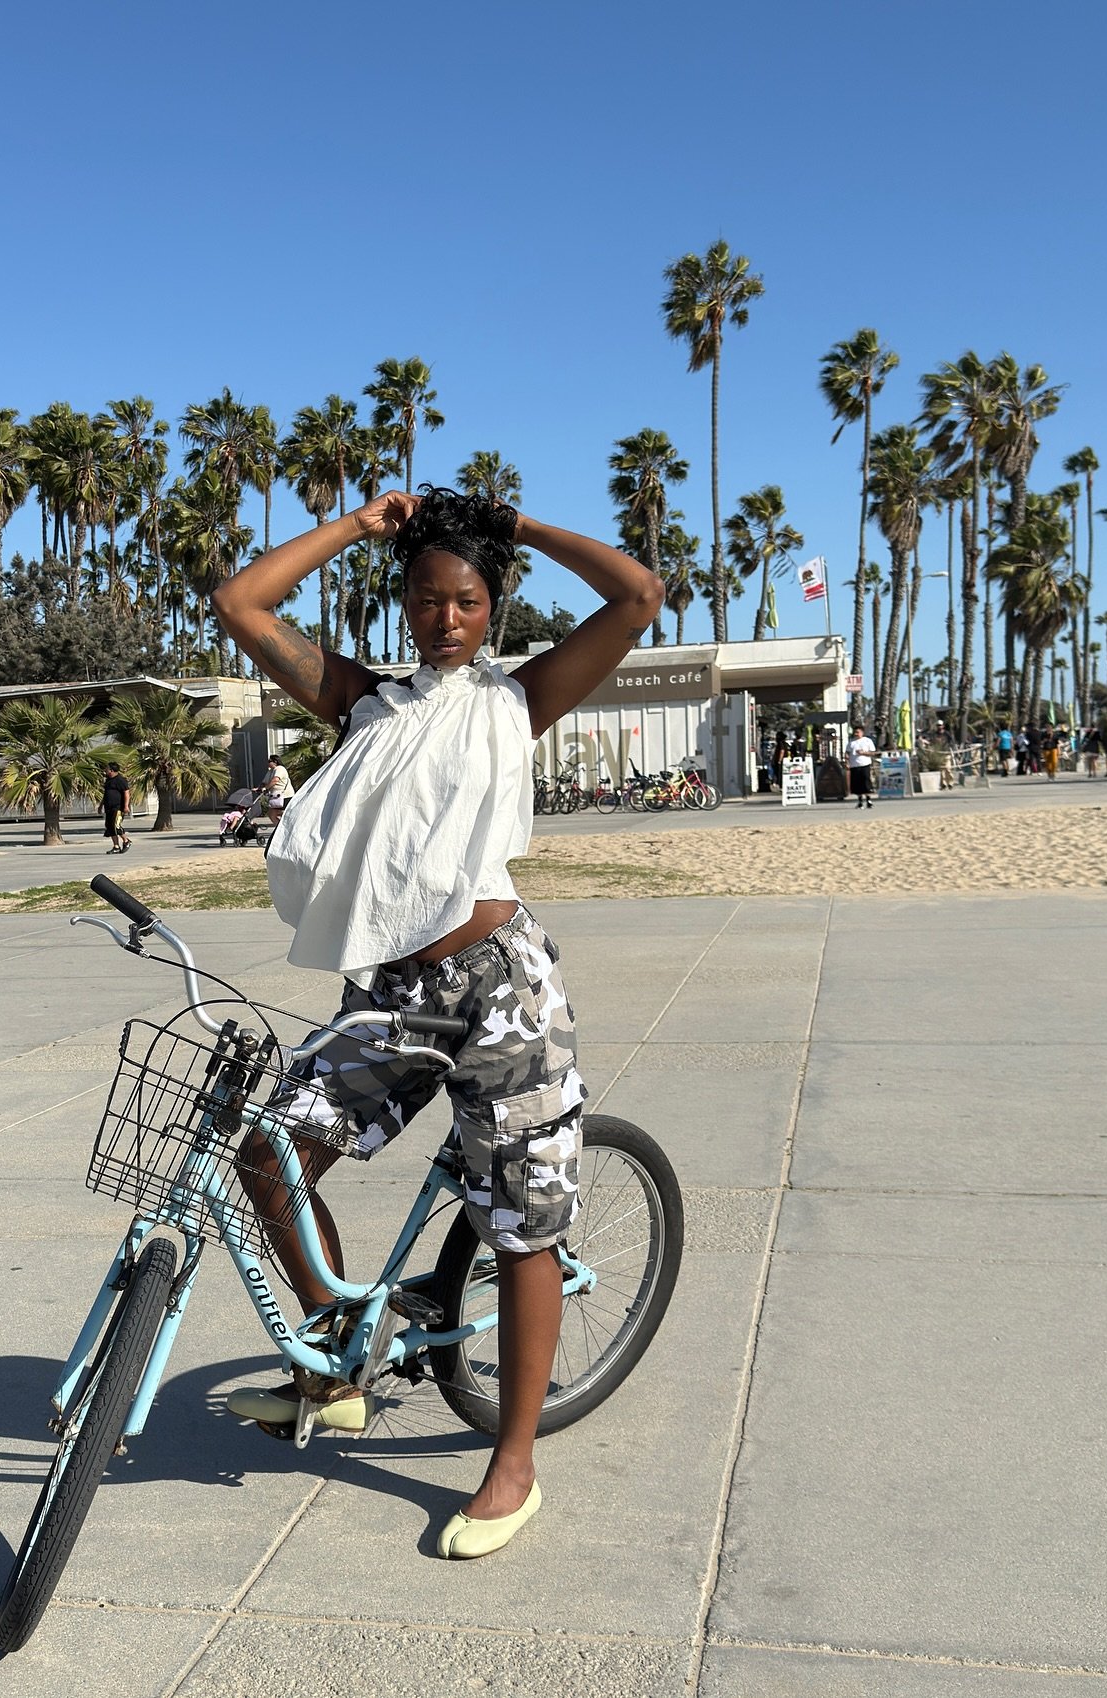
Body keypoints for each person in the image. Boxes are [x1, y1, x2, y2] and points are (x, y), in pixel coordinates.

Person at [211, 485, 664, 1560]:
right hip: (392, 992)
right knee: (269, 1159)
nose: (446, 619)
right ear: (404, 606)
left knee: (521, 1223)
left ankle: (513, 1464)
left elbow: (639, 596)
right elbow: (240, 604)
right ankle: (335, 1361)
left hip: (496, 987)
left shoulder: (518, 700)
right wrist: (358, 529)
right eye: (426, 600)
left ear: (492, 608)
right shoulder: (369, 705)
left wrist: (519, 530)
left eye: (465, 602)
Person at [101, 761, 132, 854]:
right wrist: (101, 805)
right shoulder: (108, 780)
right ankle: (116, 846)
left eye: (106, 768)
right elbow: (106, 794)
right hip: (109, 807)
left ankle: (126, 841)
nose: (105, 770)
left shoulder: (120, 780)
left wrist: (126, 806)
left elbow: (126, 793)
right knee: (110, 827)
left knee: (116, 826)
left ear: (111, 770)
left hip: (118, 807)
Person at [846, 722, 876, 809]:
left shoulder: (867, 741)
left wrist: (864, 753)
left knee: (866, 782)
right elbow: (847, 753)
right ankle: (860, 801)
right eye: (855, 732)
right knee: (857, 784)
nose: (856, 734)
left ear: (862, 733)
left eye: (858, 732)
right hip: (854, 765)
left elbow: (873, 753)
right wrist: (847, 761)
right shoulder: (851, 743)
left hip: (865, 764)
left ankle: (868, 800)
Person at [262, 753, 295, 826]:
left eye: (269, 761)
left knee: (277, 813)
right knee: (272, 814)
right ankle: (280, 828)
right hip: (275, 796)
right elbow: (264, 782)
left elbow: (275, 780)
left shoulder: (280, 768)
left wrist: (266, 788)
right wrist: (259, 788)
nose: (268, 763)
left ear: (275, 762)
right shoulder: (270, 771)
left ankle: (283, 828)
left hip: (285, 796)